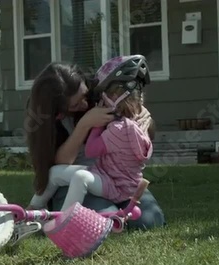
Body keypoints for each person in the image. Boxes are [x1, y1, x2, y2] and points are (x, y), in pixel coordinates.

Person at [24, 58, 165, 230]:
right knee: (106, 221)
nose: (84, 104)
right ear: (57, 109)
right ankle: (57, 220)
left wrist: (141, 117)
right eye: (75, 105)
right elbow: (61, 164)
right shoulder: (46, 121)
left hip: (117, 177)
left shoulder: (100, 96)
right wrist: (85, 124)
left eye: (84, 96)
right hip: (74, 182)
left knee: (150, 222)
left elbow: (132, 104)